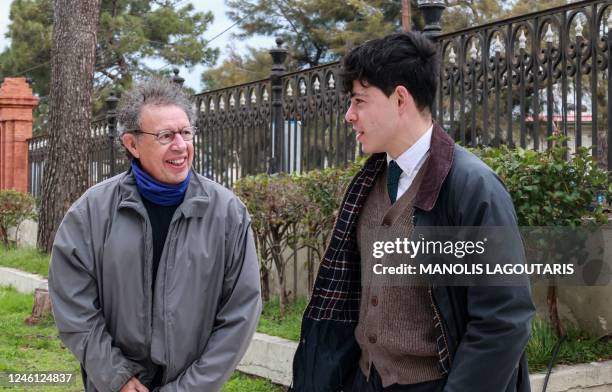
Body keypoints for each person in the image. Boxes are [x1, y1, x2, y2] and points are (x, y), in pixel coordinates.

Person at [290, 32, 535, 392]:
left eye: (360, 101)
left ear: (400, 98)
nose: (349, 115)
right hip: (365, 379)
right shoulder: (367, 183)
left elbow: (504, 318)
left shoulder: (472, 187)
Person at [48, 78, 261, 392]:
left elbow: (240, 314)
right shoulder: (92, 212)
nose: (180, 145)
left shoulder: (228, 214)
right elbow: (73, 305)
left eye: (186, 132)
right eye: (165, 135)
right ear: (132, 144)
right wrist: (116, 377)